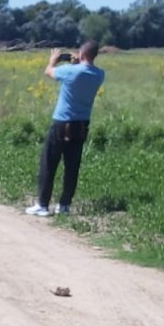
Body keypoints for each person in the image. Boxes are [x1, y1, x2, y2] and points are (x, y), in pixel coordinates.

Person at [26, 39, 105, 217]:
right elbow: (85, 71)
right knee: (72, 166)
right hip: (82, 124)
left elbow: (48, 72)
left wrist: (53, 59)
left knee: (49, 163)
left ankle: (43, 205)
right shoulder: (100, 74)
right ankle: (65, 205)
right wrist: (78, 62)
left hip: (62, 123)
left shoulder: (69, 71)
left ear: (82, 53)